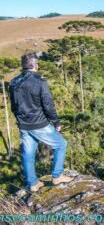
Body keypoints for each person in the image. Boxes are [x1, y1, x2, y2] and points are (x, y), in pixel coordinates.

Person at [9, 52, 73, 192]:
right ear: (35, 66)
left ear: (23, 66)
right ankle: (57, 176)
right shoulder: (39, 82)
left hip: (23, 125)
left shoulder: (13, 82)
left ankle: (33, 184)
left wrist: (21, 120)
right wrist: (56, 122)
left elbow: (13, 106)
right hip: (39, 123)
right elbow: (48, 105)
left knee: (28, 154)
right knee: (61, 144)